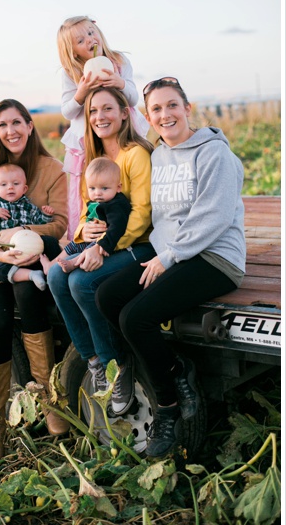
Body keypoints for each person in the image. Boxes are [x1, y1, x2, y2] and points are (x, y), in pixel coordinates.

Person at [95, 77, 245, 457]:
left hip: (215, 257)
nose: (165, 115)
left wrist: (168, 257)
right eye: (157, 109)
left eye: (172, 105)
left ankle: (167, 407)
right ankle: (175, 369)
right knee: (107, 295)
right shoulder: (160, 155)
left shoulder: (214, 154)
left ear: (187, 108)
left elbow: (213, 216)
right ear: (148, 116)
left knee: (135, 318)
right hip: (174, 254)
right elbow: (163, 219)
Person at [0, 99, 69, 465]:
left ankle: (49, 402)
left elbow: (59, 224)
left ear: (29, 125)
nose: (11, 131)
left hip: (35, 253)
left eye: (17, 123)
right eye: (3, 125)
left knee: (30, 296)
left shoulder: (51, 169)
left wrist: (22, 234)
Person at [47, 86, 154, 417]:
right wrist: (84, 232)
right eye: (93, 111)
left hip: (138, 244)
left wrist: (103, 248)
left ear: (124, 113)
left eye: (108, 109)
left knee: (81, 282)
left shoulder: (135, 154)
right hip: (101, 242)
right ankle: (92, 357)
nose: (100, 117)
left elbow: (142, 214)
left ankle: (117, 364)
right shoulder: (93, 160)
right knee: (54, 274)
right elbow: (86, 211)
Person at [56, 16, 149, 241]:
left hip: (119, 126)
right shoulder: (72, 72)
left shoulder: (118, 60)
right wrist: (82, 91)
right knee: (89, 187)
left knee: (122, 174)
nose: (90, 39)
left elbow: (134, 97)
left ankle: (121, 228)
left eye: (91, 32)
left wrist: (120, 83)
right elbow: (67, 111)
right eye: (80, 40)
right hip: (87, 138)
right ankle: (85, 232)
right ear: (73, 52)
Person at [0, 163, 55, 290]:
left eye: (16, 184)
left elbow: (40, 222)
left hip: (28, 247)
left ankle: (52, 273)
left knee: (51, 244)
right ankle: (32, 275)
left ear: (24, 188)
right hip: (8, 249)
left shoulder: (28, 205)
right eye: (3, 185)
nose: (10, 187)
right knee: (0, 270)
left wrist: (46, 215)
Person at [45, 157, 131, 274]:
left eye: (104, 188)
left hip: (103, 241)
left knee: (90, 247)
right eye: (92, 188)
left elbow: (117, 227)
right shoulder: (96, 201)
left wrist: (104, 244)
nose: (97, 193)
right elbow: (87, 219)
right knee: (73, 244)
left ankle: (73, 263)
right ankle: (51, 264)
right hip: (91, 236)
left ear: (118, 187)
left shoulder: (116, 204)